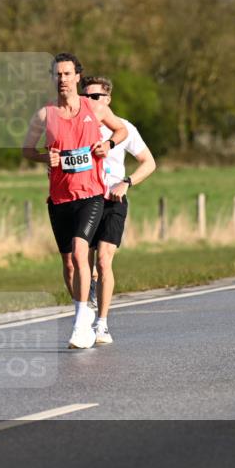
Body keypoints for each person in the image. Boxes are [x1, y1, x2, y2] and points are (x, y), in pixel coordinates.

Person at [22, 54, 128, 349]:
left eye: (67, 73)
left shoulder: (93, 107)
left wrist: (106, 145)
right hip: (59, 198)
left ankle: (82, 325)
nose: (62, 79)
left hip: (91, 195)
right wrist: (47, 157)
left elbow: (122, 130)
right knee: (69, 264)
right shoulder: (44, 115)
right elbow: (27, 150)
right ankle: (84, 307)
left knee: (82, 252)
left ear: (77, 77)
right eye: (57, 74)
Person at [81, 75, 156, 344]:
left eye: (95, 96)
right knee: (84, 264)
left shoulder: (124, 128)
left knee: (103, 260)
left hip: (113, 199)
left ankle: (102, 324)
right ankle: (87, 297)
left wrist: (127, 182)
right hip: (85, 200)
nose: (89, 101)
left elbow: (149, 162)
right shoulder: (78, 125)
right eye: (85, 96)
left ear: (108, 99)